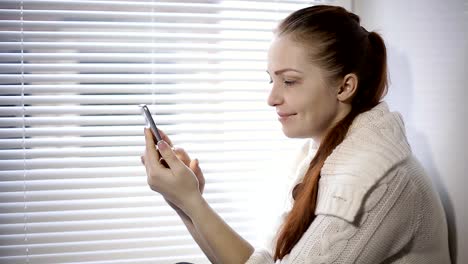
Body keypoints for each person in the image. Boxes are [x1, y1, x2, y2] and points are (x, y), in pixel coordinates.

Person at [141, 5, 451, 264]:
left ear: (345, 87)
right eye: (271, 80)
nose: (271, 98)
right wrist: (183, 200)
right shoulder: (321, 155)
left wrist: (192, 201)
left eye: (289, 81)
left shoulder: (377, 180)